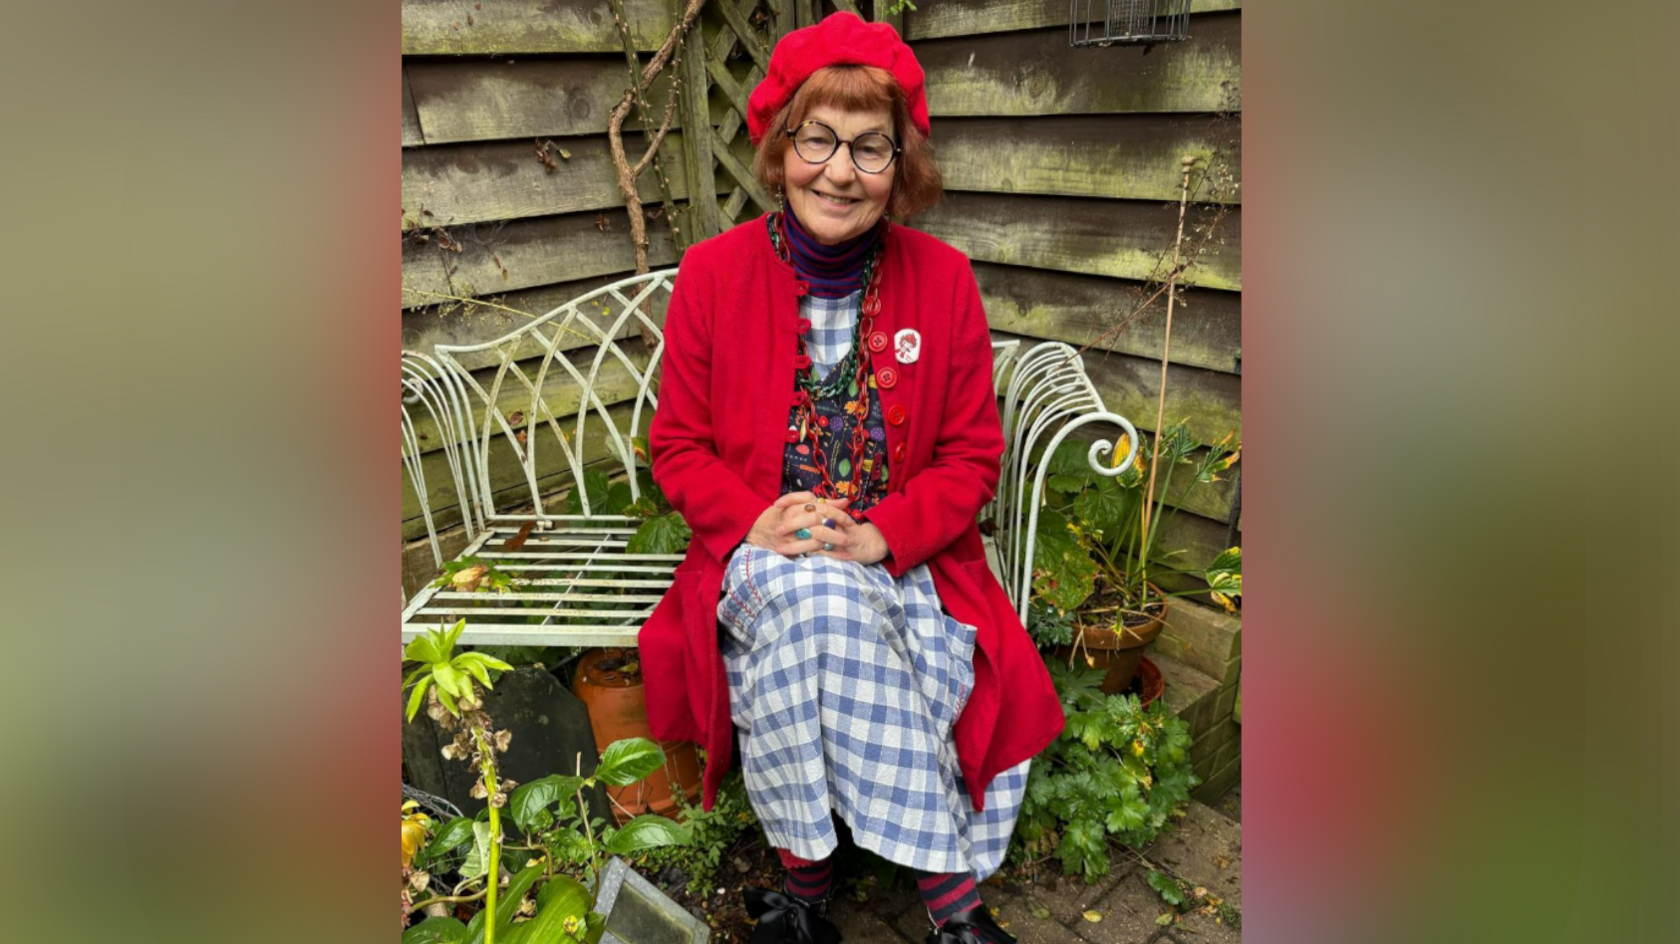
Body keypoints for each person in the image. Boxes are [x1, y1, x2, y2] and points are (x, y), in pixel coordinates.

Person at [641, 12, 1063, 944]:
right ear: (780, 148)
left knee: (843, 615)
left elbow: (970, 458)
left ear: (898, 167)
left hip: (903, 559)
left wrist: (883, 536)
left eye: (871, 148)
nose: (840, 170)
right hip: (759, 552)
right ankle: (953, 903)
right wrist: (755, 521)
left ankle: (806, 894)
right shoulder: (711, 276)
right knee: (813, 605)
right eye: (818, 139)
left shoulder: (944, 278)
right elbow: (676, 448)